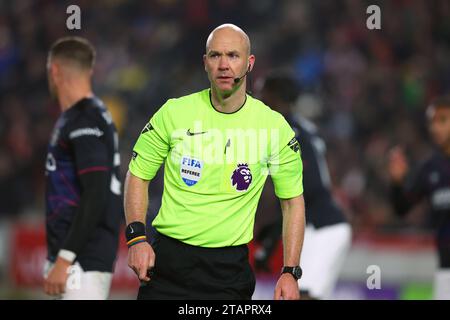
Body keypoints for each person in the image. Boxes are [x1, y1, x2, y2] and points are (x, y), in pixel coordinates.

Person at [124, 24, 305, 300]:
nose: (224, 65)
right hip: (167, 267)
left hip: (228, 274)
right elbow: (138, 174)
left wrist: (290, 271)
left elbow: (292, 202)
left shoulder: (274, 128)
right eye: (215, 55)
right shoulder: (174, 113)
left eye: (233, 56)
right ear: (205, 63)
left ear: (249, 63)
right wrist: (136, 238)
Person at [253, 73, 352, 299]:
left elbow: (306, 190)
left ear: (276, 99)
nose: (257, 99)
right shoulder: (302, 128)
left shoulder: (288, 132)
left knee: (301, 295)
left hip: (323, 227)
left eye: (262, 94)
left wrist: (273, 233)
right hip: (313, 226)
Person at [43, 37, 122, 299]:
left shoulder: (85, 118)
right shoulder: (85, 115)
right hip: (76, 260)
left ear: (54, 71)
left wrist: (65, 259)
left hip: (81, 261)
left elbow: (95, 192)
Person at [388, 96, 450, 300]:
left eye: (442, 120)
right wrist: (397, 182)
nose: (435, 128)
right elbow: (401, 209)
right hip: (445, 269)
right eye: (431, 122)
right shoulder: (430, 168)